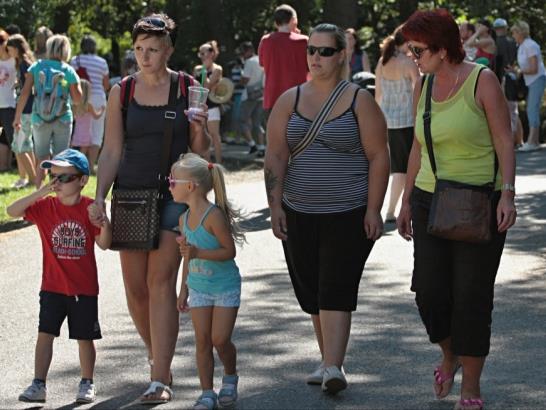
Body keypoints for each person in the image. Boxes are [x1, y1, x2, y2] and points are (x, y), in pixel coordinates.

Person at [398, 9, 516, 410]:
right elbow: (416, 145)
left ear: (442, 47)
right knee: (429, 293)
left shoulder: (483, 81)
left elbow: (504, 140)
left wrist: (508, 194)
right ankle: (449, 355)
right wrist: (404, 199)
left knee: (471, 296)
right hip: (430, 199)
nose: (413, 57)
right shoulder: (424, 86)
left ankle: (472, 384)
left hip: (478, 200)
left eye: (418, 50)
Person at [91, 13, 210, 404]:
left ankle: (160, 376)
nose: (145, 56)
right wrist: (98, 197)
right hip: (129, 196)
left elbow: (201, 153)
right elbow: (111, 150)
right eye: (139, 49)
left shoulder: (188, 88)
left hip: (175, 199)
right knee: (136, 291)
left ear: (169, 50)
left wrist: (201, 126)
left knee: (160, 284)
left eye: (153, 50)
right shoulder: (121, 92)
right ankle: (156, 353)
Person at [264, 23, 389, 395]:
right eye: (312, 51)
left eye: (325, 51)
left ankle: (334, 365)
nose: (316, 57)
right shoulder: (290, 100)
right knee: (313, 291)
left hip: (348, 211)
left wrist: (374, 208)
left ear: (341, 57)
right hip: (298, 210)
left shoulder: (358, 100)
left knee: (335, 284)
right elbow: (275, 156)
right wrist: (275, 207)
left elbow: (379, 155)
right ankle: (327, 361)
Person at [6, 148, 112, 404]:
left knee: (85, 338)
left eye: (64, 178)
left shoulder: (89, 208)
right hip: (52, 287)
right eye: (53, 176)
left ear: (83, 180)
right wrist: (41, 191)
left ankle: (87, 381)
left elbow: (105, 244)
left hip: (84, 288)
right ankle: (38, 384)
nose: (57, 183)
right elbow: (11, 211)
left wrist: (104, 223)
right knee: (45, 334)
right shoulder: (45, 207)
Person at [170, 153, 244, 410]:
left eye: (172, 181)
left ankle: (231, 378)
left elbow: (229, 251)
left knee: (220, 339)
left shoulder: (213, 216)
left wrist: (198, 253)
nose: (169, 185)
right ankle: (206, 393)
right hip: (199, 288)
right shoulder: (182, 219)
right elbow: (187, 259)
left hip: (225, 287)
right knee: (202, 341)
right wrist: (183, 290)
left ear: (189, 186)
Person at [13, 34, 82, 188]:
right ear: (66, 51)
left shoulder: (37, 66)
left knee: (42, 157)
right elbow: (77, 99)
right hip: (63, 118)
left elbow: (25, 92)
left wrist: (17, 117)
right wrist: (67, 83)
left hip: (39, 118)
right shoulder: (68, 70)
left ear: (49, 48)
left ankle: (39, 191)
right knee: (61, 158)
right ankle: (61, 191)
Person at [374, 26, 419, 223]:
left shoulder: (382, 62)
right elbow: (418, 89)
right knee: (404, 169)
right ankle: (392, 210)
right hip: (407, 120)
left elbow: (378, 94)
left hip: (388, 121)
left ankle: (395, 209)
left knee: (398, 167)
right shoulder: (407, 62)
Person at [258, 4, 308, 119]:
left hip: (272, 98)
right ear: (293, 20)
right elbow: (310, 68)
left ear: (276, 23)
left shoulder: (265, 41)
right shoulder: (304, 41)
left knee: (274, 136)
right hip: (298, 98)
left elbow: (263, 65)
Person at [70, 34, 110, 170]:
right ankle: (91, 165)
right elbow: (106, 84)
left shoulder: (75, 60)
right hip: (98, 97)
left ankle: (78, 163)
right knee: (97, 134)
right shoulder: (102, 62)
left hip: (80, 96)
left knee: (80, 130)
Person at [509, 21, 546, 152]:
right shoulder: (523, 46)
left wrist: (519, 71)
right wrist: (516, 71)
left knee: (532, 109)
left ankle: (531, 141)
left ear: (520, 32)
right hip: (531, 81)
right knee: (532, 109)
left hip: (537, 79)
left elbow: (534, 68)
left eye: (514, 32)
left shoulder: (530, 45)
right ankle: (534, 141)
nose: (513, 35)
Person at [6, 34, 37, 188]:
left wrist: (17, 116)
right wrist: (18, 83)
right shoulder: (24, 63)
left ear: (16, 48)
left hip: (25, 111)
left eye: (10, 49)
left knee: (19, 146)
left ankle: (32, 180)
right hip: (28, 110)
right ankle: (25, 178)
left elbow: (29, 87)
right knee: (26, 145)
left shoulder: (24, 64)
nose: (9, 52)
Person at [492, 18, 523, 148]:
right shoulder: (513, 43)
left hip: (501, 79)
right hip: (513, 77)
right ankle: (519, 141)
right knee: (513, 110)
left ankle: (509, 141)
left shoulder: (495, 44)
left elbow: (497, 64)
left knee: (504, 111)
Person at [194, 40, 223, 163]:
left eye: (203, 53)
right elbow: (195, 86)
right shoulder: (197, 68)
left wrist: (204, 71)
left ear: (211, 54)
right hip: (200, 105)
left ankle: (219, 164)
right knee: (202, 135)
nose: (201, 55)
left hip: (212, 106)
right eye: (200, 53)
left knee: (214, 135)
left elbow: (208, 86)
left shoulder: (217, 69)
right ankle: (207, 164)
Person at [71, 79, 105, 170]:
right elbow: (96, 116)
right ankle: (82, 168)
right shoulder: (88, 105)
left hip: (77, 133)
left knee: (73, 151)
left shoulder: (75, 105)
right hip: (86, 133)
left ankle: (72, 165)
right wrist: (101, 110)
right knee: (82, 153)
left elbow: (73, 117)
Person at [239, 41, 266, 157]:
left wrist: (239, 82)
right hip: (261, 94)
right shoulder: (261, 59)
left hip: (249, 95)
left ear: (249, 50)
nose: (242, 54)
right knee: (257, 123)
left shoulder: (249, 62)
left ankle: (252, 144)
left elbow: (245, 79)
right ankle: (262, 147)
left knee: (242, 121)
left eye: (243, 52)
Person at [0, 29, 17, 172]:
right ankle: (3, 166)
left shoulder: (14, 61)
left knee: (11, 137)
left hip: (9, 104)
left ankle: (17, 168)